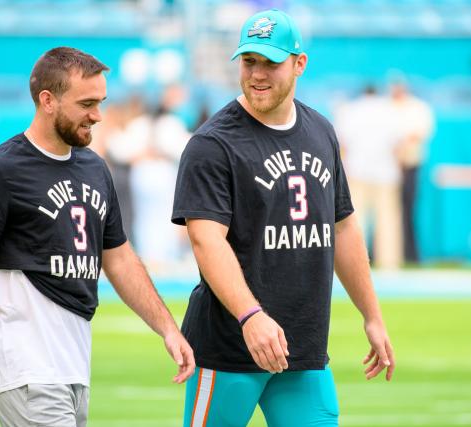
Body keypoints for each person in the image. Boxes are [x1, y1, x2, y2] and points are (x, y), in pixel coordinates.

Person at [0, 47, 194, 427]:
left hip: (73, 364)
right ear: (47, 101)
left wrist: (167, 328)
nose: (97, 115)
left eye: (100, 102)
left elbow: (120, 259)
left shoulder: (96, 169)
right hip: (24, 365)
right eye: (86, 104)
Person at [171, 10, 395, 427]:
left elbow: (343, 226)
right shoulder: (212, 144)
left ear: (299, 63)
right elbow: (206, 241)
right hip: (229, 348)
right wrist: (250, 317)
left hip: (302, 348)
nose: (258, 74)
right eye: (249, 61)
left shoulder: (321, 131)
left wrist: (372, 315)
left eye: (270, 62)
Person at [334, 85, 403, 269]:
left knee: (354, 220)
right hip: (385, 172)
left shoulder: (351, 110)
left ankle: (355, 261)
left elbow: (342, 144)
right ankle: (389, 264)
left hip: (358, 170)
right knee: (387, 221)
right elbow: (398, 143)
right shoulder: (390, 110)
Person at [390, 79, 434, 263]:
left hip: (409, 165)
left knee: (407, 209)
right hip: (389, 166)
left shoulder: (417, 108)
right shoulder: (387, 107)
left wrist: (400, 146)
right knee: (389, 212)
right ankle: (388, 253)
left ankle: (410, 253)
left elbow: (418, 135)